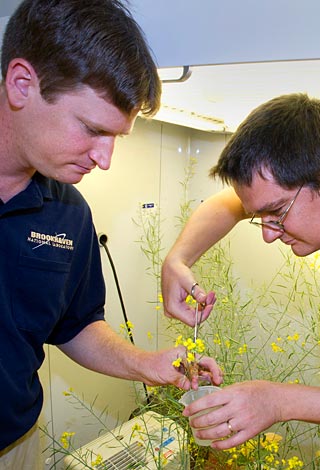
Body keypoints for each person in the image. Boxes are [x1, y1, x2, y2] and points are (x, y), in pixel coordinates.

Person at [0, 0, 222, 467]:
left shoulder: (68, 213)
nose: (105, 159)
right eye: (92, 129)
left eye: (116, 137)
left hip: (15, 443)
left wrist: (150, 365)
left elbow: (75, 324)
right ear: (22, 84)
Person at [161, 92, 320, 465]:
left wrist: (277, 400)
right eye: (258, 217)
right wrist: (178, 258)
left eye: (277, 212)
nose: (268, 234)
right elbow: (227, 204)